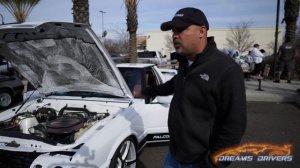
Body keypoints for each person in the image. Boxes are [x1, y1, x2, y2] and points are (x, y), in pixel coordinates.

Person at [135, 7, 246, 168]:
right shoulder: (186, 62)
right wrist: (145, 92)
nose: (175, 35)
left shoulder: (226, 69)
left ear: (201, 31)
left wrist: (213, 163)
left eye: (180, 29)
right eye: (173, 31)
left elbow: (234, 125)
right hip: (174, 155)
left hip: (200, 162)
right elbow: (173, 85)